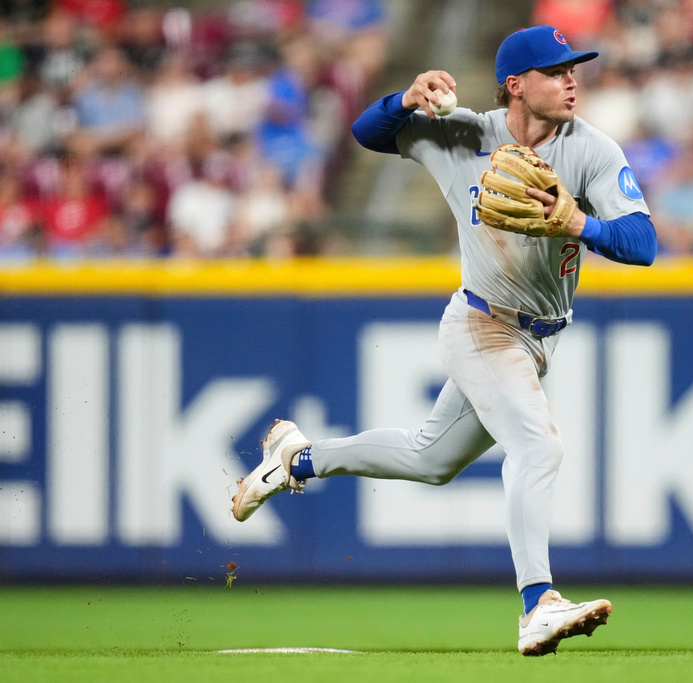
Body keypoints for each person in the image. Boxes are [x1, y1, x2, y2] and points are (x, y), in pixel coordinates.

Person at [231, 25, 657, 656]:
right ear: (516, 84)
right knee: (538, 449)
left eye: (575, 68)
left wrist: (578, 221)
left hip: (538, 340)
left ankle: (296, 458)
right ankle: (537, 602)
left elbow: (643, 245)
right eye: (557, 70)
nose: (572, 79)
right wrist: (405, 99)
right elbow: (364, 135)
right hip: (481, 323)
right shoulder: (465, 132)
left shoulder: (592, 150)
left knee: (431, 459)